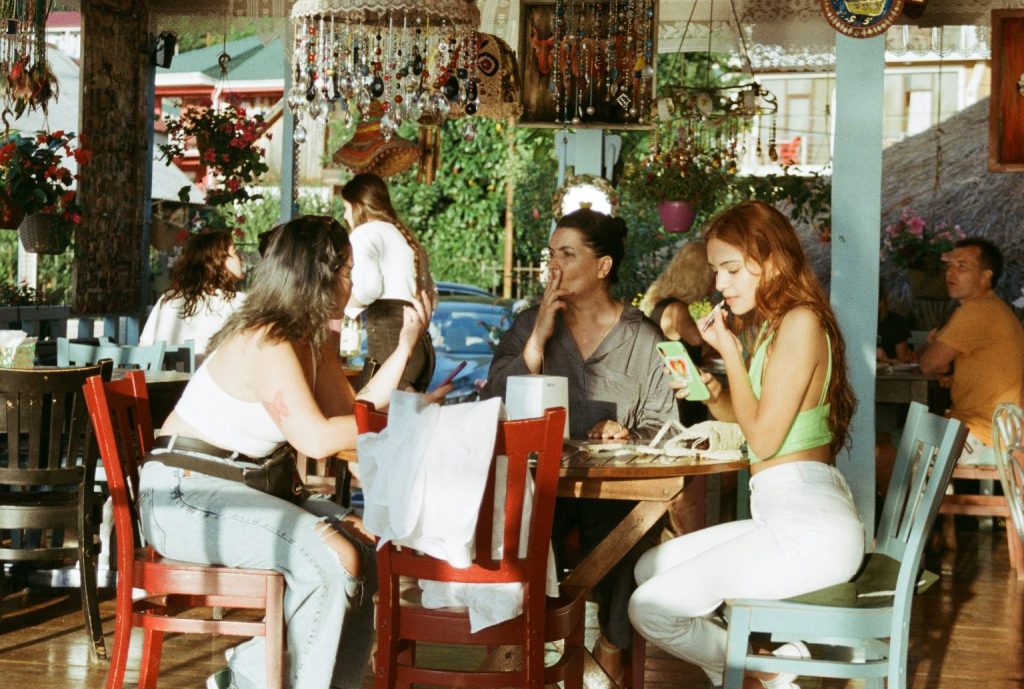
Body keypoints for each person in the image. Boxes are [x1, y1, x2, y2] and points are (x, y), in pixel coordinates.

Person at [137, 216, 445, 689]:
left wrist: (405, 348)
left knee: (367, 546)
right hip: (184, 497)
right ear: (315, 276)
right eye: (344, 269)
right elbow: (318, 439)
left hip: (240, 489)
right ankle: (249, 676)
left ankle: (299, 680)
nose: (352, 281)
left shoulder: (309, 339)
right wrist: (408, 417)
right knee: (333, 557)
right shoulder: (270, 340)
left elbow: (354, 413)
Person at [628, 201, 864, 689]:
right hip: (785, 512)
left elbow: (763, 438)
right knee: (650, 567)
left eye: (732, 269)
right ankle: (769, 665)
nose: (720, 284)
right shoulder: (781, 323)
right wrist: (714, 393)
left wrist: (730, 355)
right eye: (717, 271)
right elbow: (760, 422)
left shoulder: (800, 323)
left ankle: (759, 670)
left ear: (772, 262)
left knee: (648, 608)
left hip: (810, 533)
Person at [481, 208, 676, 681]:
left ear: (602, 266)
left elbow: (664, 425)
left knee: (633, 525)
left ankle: (609, 645)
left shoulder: (643, 336)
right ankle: (521, 638)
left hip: (610, 493)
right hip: (538, 488)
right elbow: (490, 404)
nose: (554, 267)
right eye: (551, 255)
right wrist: (536, 346)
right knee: (518, 519)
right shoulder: (531, 324)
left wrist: (628, 434)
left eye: (567, 254)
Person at [917, 237, 1024, 464]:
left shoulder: (977, 311)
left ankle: (915, 499)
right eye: (950, 266)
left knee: (885, 454)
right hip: (997, 430)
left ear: (986, 276)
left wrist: (932, 349)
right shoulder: (991, 308)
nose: (951, 273)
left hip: (983, 434)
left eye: (962, 266)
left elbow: (929, 364)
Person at [340, 172, 436, 392]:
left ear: (358, 206)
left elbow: (368, 288)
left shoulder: (364, 234)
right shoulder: (404, 236)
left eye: (346, 208)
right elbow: (431, 293)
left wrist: (345, 309)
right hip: (419, 342)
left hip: (392, 340)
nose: (345, 216)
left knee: (370, 412)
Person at [640, 240, 716, 426]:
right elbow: (699, 344)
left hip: (671, 393)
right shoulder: (677, 310)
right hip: (684, 397)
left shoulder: (660, 303)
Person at [140, 229, 246, 360]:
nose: (241, 257)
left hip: (169, 379)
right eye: (235, 252)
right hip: (212, 378)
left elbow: (144, 349)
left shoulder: (170, 299)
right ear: (217, 261)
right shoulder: (240, 303)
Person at [876, 289, 915, 364]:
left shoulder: (897, 322)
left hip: (890, 373)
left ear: (881, 302)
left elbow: (903, 362)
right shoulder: (860, 321)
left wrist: (886, 360)